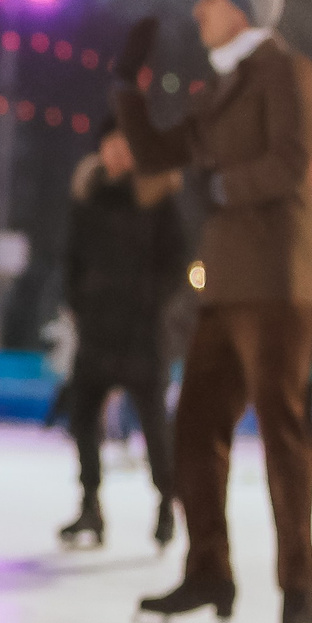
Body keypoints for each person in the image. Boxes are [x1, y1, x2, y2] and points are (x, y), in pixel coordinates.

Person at [112, 0, 312, 623]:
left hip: (278, 281)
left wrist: (225, 189)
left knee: (279, 427)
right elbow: (155, 155)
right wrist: (126, 87)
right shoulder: (219, 88)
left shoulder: (286, 72)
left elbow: (292, 159)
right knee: (194, 425)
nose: (198, 9)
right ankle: (209, 569)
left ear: (243, 10)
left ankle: (298, 583)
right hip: (228, 282)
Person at [57, 117, 186, 548]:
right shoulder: (88, 196)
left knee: (153, 424)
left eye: (126, 144)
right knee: (83, 417)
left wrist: (151, 302)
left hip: (142, 332)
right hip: (97, 328)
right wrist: (78, 301)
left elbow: (176, 261)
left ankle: (167, 503)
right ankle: (90, 504)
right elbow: (72, 257)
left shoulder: (158, 198)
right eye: (111, 144)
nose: (118, 152)